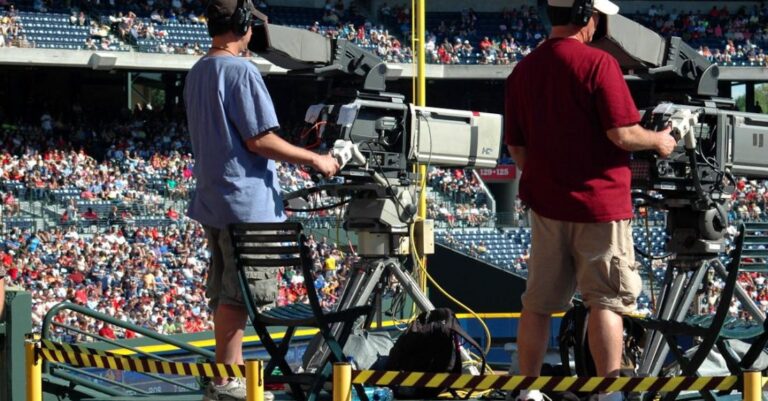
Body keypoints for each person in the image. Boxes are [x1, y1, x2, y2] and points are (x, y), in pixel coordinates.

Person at [504, 1, 677, 401]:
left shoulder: (522, 70)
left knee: (538, 304)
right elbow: (622, 134)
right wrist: (660, 140)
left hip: (546, 206)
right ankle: (609, 392)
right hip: (600, 206)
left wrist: (551, 180)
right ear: (587, 16)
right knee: (606, 301)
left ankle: (528, 392)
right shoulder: (598, 64)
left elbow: (517, 149)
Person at [184, 0, 339, 400]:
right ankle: (228, 382)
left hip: (213, 201)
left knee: (224, 295)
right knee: (241, 298)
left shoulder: (199, 70)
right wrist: (316, 158)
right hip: (246, 205)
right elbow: (260, 140)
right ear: (242, 25)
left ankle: (224, 379)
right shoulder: (241, 71)